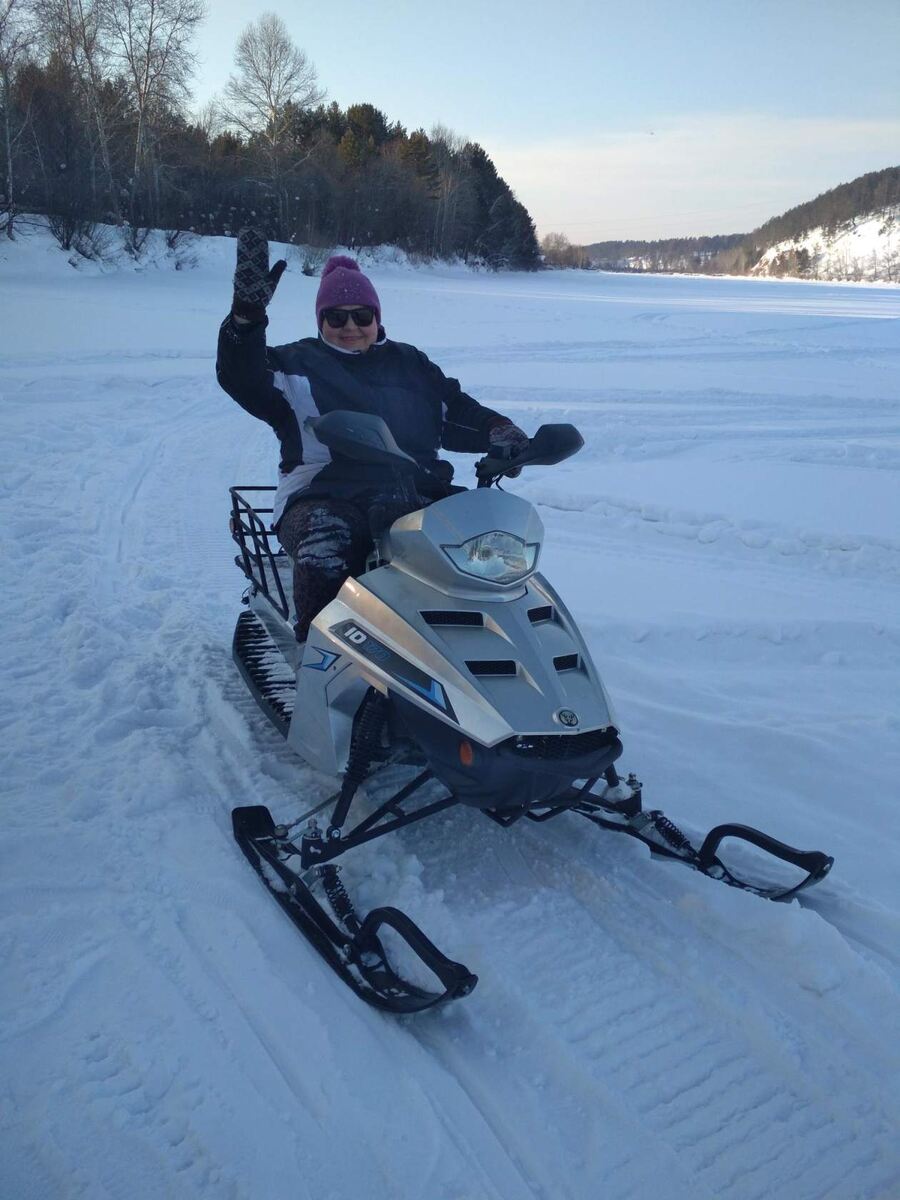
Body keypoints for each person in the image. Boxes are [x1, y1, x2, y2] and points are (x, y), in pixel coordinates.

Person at [217, 229, 530, 641]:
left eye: (362, 315)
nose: (351, 327)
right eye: (336, 316)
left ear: (377, 318)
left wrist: (497, 430)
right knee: (329, 545)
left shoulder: (409, 363)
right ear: (321, 320)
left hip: (415, 491)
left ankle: (482, 646)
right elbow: (243, 378)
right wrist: (245, 319)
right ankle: (321, 657)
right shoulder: (293, 364)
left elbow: (454, 411)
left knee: (485, 541)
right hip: (322, 493)